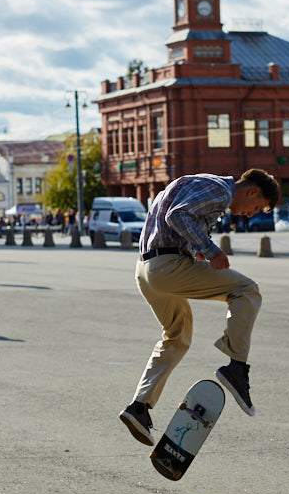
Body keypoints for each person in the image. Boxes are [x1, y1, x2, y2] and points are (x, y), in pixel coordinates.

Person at [119, 168, 279, 445]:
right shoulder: (220, 189)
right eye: (256, 207)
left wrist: (198, 249)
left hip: (146, 270)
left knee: (177, 336)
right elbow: (177, 215)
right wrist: (212, 249)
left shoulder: (203, 185)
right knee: (246, 290)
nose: (249, 214)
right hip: (167, 267)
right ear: (251, 191)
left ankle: (139, 407)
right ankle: (236, 367)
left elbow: (175, 219)